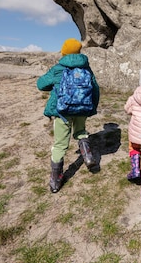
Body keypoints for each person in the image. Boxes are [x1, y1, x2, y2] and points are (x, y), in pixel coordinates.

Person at [37, 38, 100, 193]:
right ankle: (88, 156)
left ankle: (56, 180)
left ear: (64, 51)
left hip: (62, 111)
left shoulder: (58, 68)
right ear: (79, 52)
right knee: (80, 132)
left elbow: (40, 84)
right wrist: (91, 107)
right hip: (83, 108)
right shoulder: (86, 68)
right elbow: (95, 89)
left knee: (60, 144)